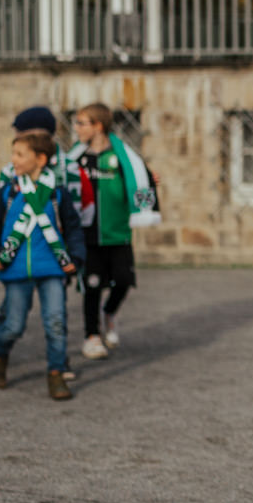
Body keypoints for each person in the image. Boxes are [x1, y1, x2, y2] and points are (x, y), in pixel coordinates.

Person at [0, 130, 84, 401]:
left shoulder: (57, 195)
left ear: (40, 159)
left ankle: (56, 374)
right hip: (16, 269)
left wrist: (76, 257)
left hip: (51, 268)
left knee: (56, 322)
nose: (13, 159)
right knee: (13, 324)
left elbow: (73, 228)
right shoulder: (8, 193)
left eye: (19, 154)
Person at [69, 104, 156, 359]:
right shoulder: (76, 158)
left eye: (81, 123)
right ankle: (91, 336)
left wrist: (152, 180)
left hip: (118, 233)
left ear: (98, 126)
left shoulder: (124, 157)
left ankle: (110, 312)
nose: (76, 128)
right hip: (88, 235)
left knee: (124, 280)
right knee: (92, 285)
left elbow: (140, 179)